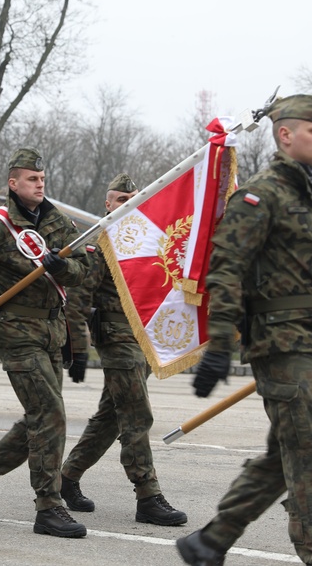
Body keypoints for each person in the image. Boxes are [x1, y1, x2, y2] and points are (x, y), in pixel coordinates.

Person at [177, 95, 312, 566]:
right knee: (309, 456)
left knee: (284, 452)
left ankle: (210, 541)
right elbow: (225, 271)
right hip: (279, 341)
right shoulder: (261, 196)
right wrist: (220, 347)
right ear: (285, 135)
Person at [0, 147, 91, 539]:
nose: (39, 183)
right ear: (13, 184)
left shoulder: (57, 222)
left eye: (42, 179)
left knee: (40, 418)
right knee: (51, 414)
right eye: (31, 178)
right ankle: (48, 506)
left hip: (52, 331)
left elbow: (84, 269)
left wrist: (66, 268)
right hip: (17, 331)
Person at [60, 172, 186, 526]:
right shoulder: (101, 244)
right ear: (107, 203)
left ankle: (67, 478)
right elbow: (78, 299)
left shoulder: (145, 243)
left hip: (143, 341)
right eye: (118, 200)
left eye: (131, 200)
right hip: (116, 341)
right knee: (136, 414)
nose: (124, 205)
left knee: (110, 417)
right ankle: (148, 495)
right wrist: (79, 347)